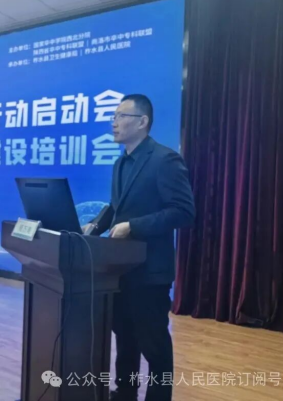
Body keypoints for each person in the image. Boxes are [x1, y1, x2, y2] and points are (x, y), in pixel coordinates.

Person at [82, 94, 195, 401]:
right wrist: (94, 226)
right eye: (113, 117)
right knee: (125, 337)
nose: (114, 123)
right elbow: (117, 207)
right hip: (121, 269)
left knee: (154, 346)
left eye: (121, 116)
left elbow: (183, 212)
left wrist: (134, 226)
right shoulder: (121, 162)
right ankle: (125, 393)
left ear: (142, 121)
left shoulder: (165, 160)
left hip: (150, 271)